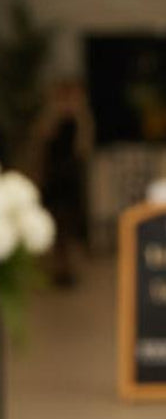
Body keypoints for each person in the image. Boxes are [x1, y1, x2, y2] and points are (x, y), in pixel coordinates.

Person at [34, 77, 94, 286]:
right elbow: (43, 141)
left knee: (69, 227)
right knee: (56, 226)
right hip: (54, 178)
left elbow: (84, 148)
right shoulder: (50, 119)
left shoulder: (80, 120)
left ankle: (67, 269)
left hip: (71, 179)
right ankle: (58, 269)